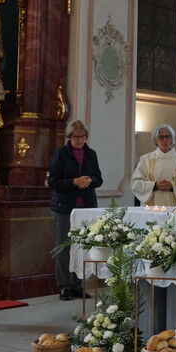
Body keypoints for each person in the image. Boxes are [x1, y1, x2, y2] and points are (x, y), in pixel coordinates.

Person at [48, 121, 103, 301]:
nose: (79, 140)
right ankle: (64, 287)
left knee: (81, 248)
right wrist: (74, 182)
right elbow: (53, 182)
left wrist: (89, 181)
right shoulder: (60, 154)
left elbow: (99, 179)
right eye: (75, 137)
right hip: (65, 208)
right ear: (69, 137)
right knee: (64, 248)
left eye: (82, 137)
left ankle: (77, 285)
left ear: (86, 137)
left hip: (86, 207)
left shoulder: (91, 154)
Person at [131, 124, 176, 206]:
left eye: (167, 136)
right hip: (150, 207)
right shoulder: (145, 159)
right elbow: (135, 183)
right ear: (155, 140)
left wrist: (172, 187)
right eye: (161, 137)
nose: (164, 140)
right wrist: (154, 185)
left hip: (174, 206)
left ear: (171, 140)